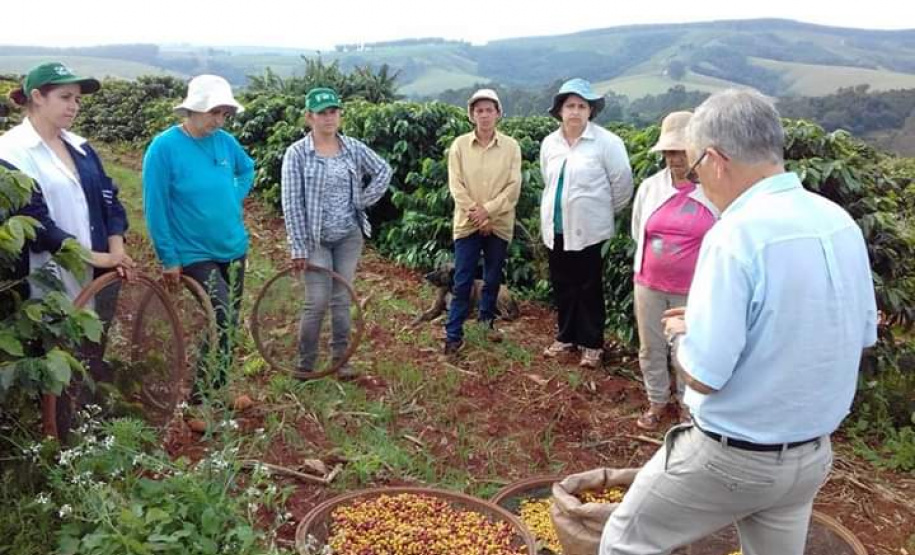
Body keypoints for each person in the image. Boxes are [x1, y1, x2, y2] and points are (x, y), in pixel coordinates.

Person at [599, 89, 877, 555]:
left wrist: (684, 334)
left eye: (693, 169)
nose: (696, 181)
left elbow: (704, 377)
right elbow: (851, 333)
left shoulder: (736, 233)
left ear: (715, 159)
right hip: (810, 458)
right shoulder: (837, 221)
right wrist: (712, 318)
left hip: (733, 458)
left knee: (624, 541)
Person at [143, 74, 254, 392]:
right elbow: (156, 207)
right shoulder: (164, 148)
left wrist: (235, 194)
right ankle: (200, 398)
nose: (219, 121)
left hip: (233, 246)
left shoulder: (225, 142)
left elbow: (247, 168)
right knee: (224, 316)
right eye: (213, 113)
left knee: (227, 322)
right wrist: (169, 258)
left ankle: (218, 390)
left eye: (224, 114)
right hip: (194, 252)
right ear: (192, 110)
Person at [281, 87, 392, 379]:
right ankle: (305, 364)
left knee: (342, 299)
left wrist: (363, 201)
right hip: (314, 239)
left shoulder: (352, 148)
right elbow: (291, 203)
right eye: (321, 113)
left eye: (333, 111)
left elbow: (383, 170)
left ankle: (341, 361)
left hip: (348, 237)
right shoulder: (297, 154)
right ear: (309, 117)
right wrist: (298, 248)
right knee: (316, 301)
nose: (328, 118)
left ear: (340, 114)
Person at [0, 62, 132, 301]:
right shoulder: (11, 152)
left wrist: (116, 250)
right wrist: (96, 257)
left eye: (78, 100)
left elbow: (110, 200)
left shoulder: (80, 147)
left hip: (98, 278)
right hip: (45, 284)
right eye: (65, 97)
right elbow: (35, 224)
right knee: (56, 333)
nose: (74, 106)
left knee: (93, 334)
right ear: (38, 97)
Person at [630, 111, 718, 430]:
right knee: (651, 346)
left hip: (692, 290)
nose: (674, 159)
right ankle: (657, 401)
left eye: (681, 151)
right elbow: (638, 230)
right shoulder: (651, 188)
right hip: (649, 283)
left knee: (688, 349)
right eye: (669, 152)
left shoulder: (712, 192)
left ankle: (686, 406)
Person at [539, 78, 633, 368]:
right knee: (563, 284)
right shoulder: (550, 143)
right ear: (560, 111)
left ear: (591, 111)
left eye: (582, 106)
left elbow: (622, 186)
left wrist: (599, 213)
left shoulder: (607, 143)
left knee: (589, 287)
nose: (576, 112)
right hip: (556, 228)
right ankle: (566, 336)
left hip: (591, 230)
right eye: (570, 106)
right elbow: (548, 179)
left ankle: (592, 344)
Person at [443, 89, 522, 355]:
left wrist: (487, 212)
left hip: (498, 222)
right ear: (471, 115)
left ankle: (486, 323)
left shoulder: (511, 147)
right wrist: (477, 215)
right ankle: (453, 334)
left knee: (492, 277)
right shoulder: (459, 146)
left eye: (489, 110)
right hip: (467, 223)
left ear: (498, 113)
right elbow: (456, 185)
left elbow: (513, 187)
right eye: (479, 111)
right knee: (463, 279)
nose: (484, 115)